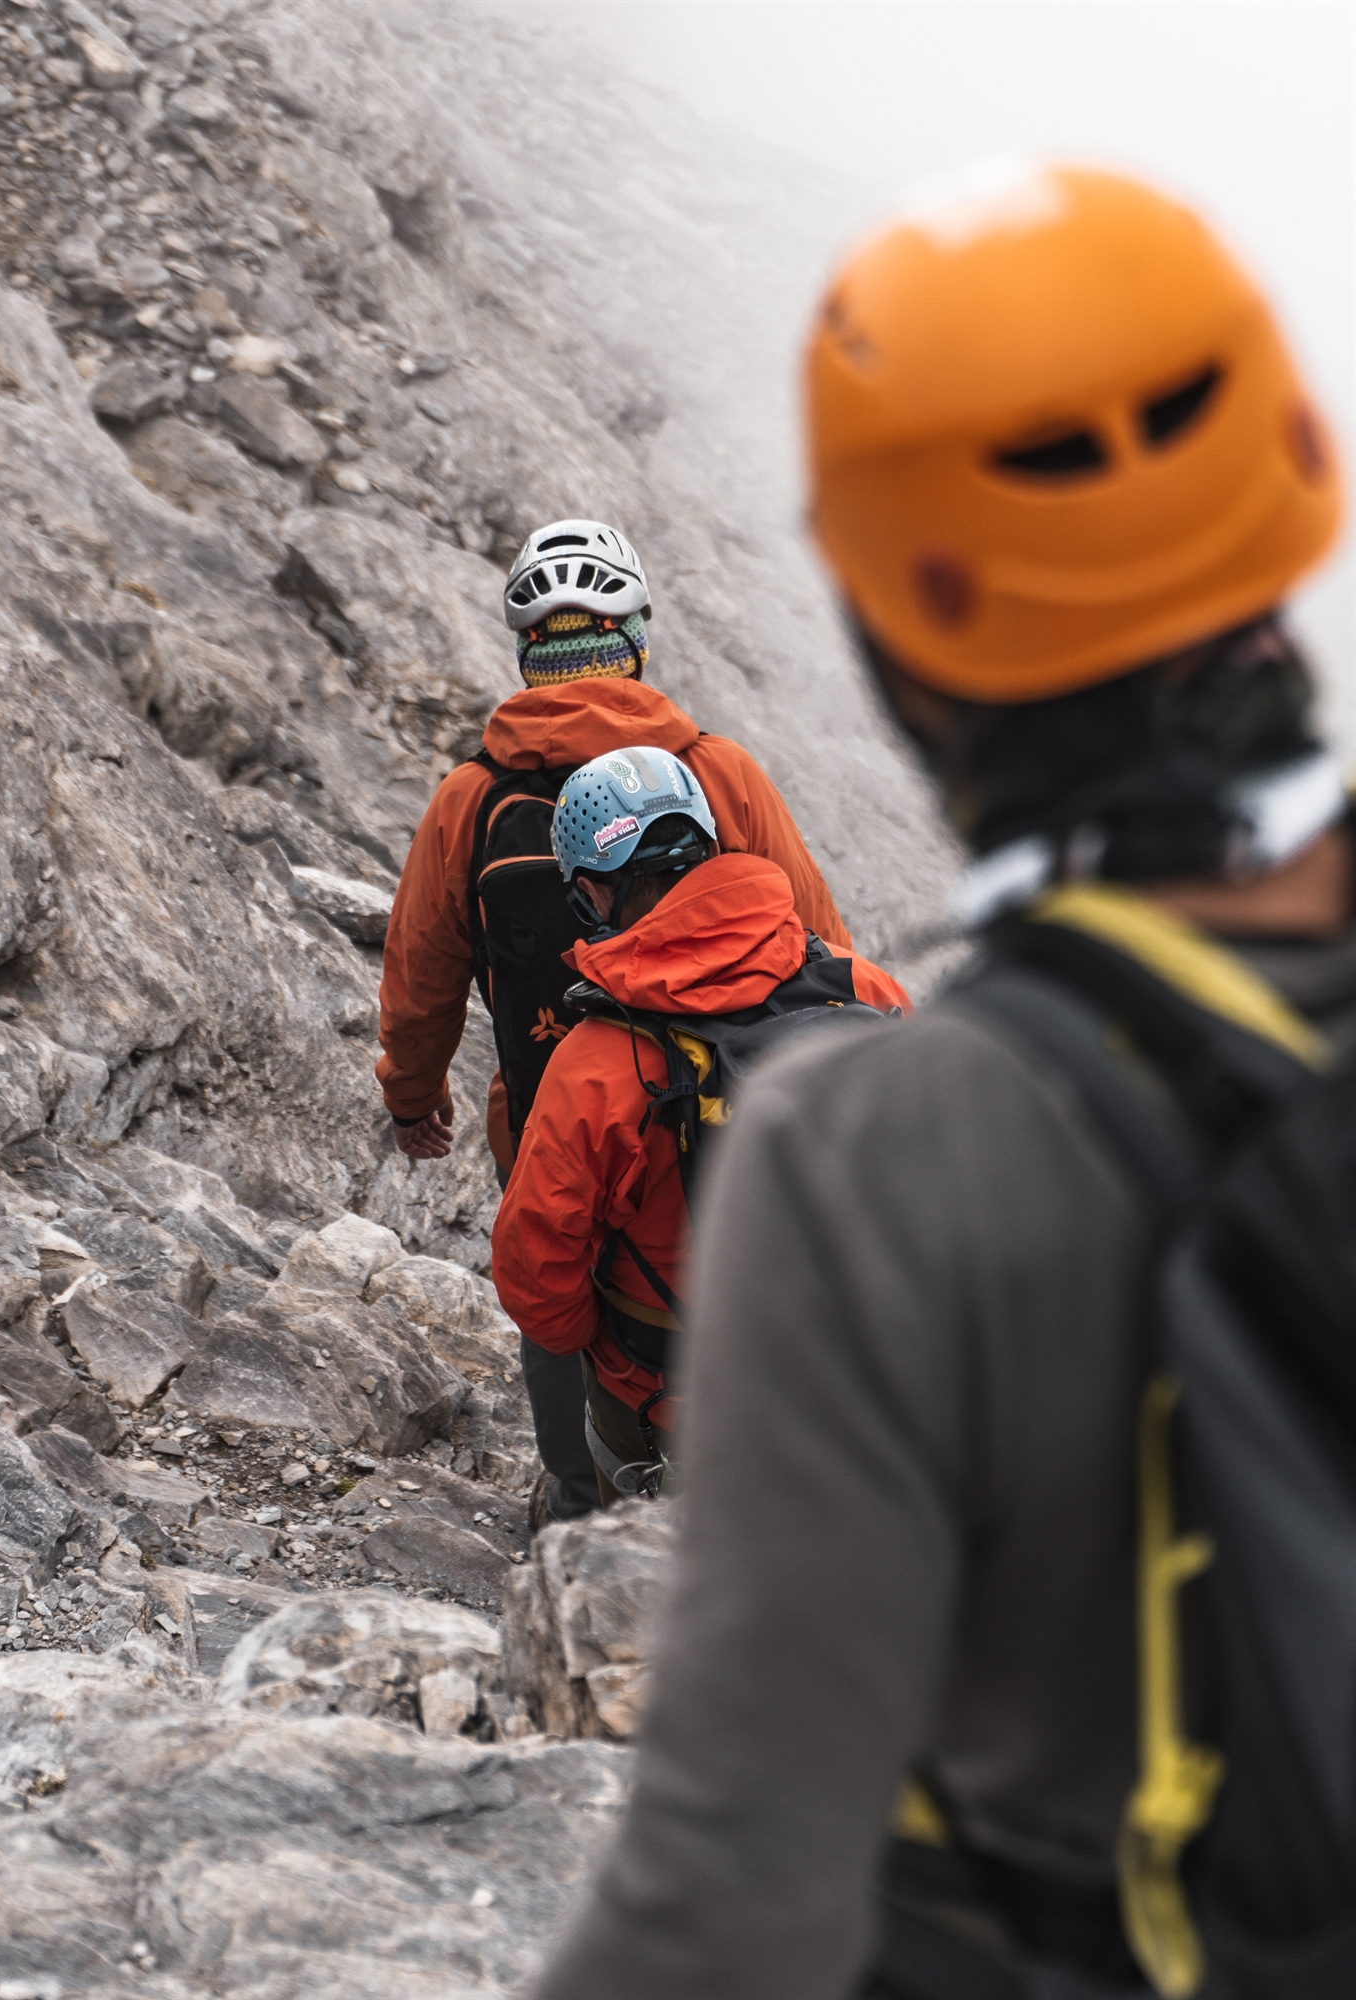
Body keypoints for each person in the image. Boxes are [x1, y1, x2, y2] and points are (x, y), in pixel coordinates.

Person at [532, 165, 1346, 1999]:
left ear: (903, 635)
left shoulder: (885, 1148)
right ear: (1301, 471)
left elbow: (732, 1902)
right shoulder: (858, 1026)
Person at [378, 517, 858, 1526]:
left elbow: (423, 974)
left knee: (558, 1288)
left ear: (525, 655)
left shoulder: (470, 798)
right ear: (634, 635)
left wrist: (411, 1096)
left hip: (553, 1100)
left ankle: (578, 1507)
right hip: (739, 1110)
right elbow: (816, 948)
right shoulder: (719, 773)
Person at [492, 745, 910, 1507]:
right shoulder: (861, 987)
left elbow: (536, 1290)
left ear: (590, 889)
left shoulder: (598, 1065)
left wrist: (623, 1348)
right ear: (712, 851)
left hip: (675, 1406)